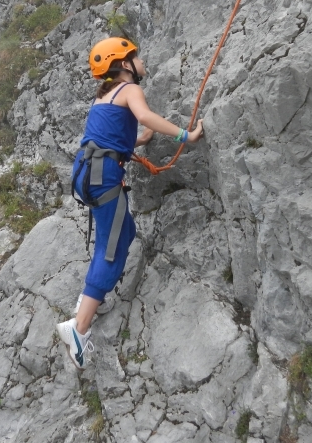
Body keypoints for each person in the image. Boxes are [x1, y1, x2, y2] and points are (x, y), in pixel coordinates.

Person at [56, 37, 204, 369]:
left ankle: (87, 302)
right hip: (104, 174)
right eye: (136, 57)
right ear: (125, 65)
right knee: (113, 248)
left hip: (87, 171)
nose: (142, 62)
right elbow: (146, 116)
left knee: (121, 235)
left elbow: (107, 134)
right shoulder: (129, 90)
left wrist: (137, 139)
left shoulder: (103, 97)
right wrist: (186, 135)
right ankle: (79, 329)